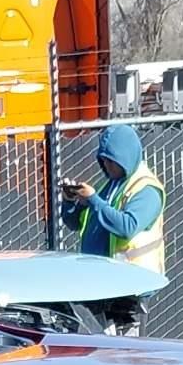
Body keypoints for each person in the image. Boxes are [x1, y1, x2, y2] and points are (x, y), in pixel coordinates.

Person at [60, 122, 165, 330]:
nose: (107, 167)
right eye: (104, 161)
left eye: (112, 161)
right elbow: (74, 224)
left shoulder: (146, 190)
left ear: (125, 156)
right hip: (102, 284)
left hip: (130, 289)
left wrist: (94, 200)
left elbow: (127, 226)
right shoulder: (108, 185)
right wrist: (71, 203)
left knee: (126, 356)